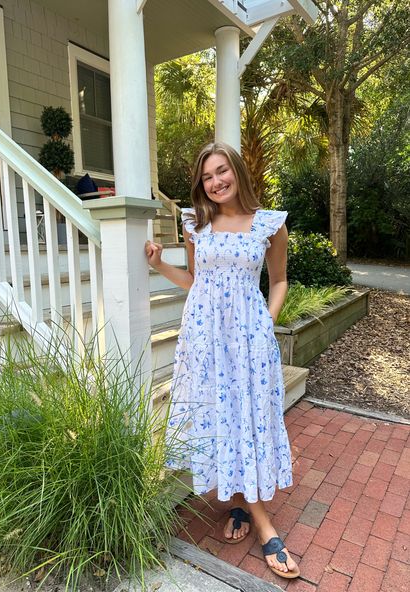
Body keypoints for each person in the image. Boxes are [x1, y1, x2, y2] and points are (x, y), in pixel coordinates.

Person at [145, 142, 299, 579]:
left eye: (221, 171)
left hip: (249, 341)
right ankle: (243, 508)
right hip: (205, 340)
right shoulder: (197, 224)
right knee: (219, 416)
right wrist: (159, 266)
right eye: (207, 177)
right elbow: (194, 280)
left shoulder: (269, 225)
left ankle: (252, 513)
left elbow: (281, 279)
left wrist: (266, 324)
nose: (215, 182)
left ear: (237, 171)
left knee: (246, 417)